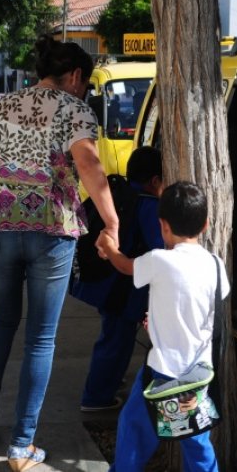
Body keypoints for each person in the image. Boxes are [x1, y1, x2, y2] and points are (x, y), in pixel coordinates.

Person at [0, 34, 120, 472]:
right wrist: (111, 221)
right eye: (85, 83)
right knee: (40, 337)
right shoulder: (75, 109)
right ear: (74, 76)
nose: (84, 91)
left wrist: (10, 174)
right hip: (50, 230)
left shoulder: (3, 106)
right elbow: (89, 165)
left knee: (1, 321)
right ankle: (21, 447)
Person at [96, 181, 229, 472]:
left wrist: (108, 245)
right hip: (198, 375)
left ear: (163, 226)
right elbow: (202, 306)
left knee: (134, 429)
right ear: (206, 224)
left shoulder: (158, 261)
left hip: (162, 374)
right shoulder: (217, 265)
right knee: (196, 440)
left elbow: (123, 265)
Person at [73, 146, 164, 412]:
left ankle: (108, 381)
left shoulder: (117, 194)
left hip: (104, 281)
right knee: (116, 340)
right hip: (124, 287)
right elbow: (159, 249)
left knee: (113, 335)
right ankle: (97, 397)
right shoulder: (148, 205)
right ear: (155, 181)